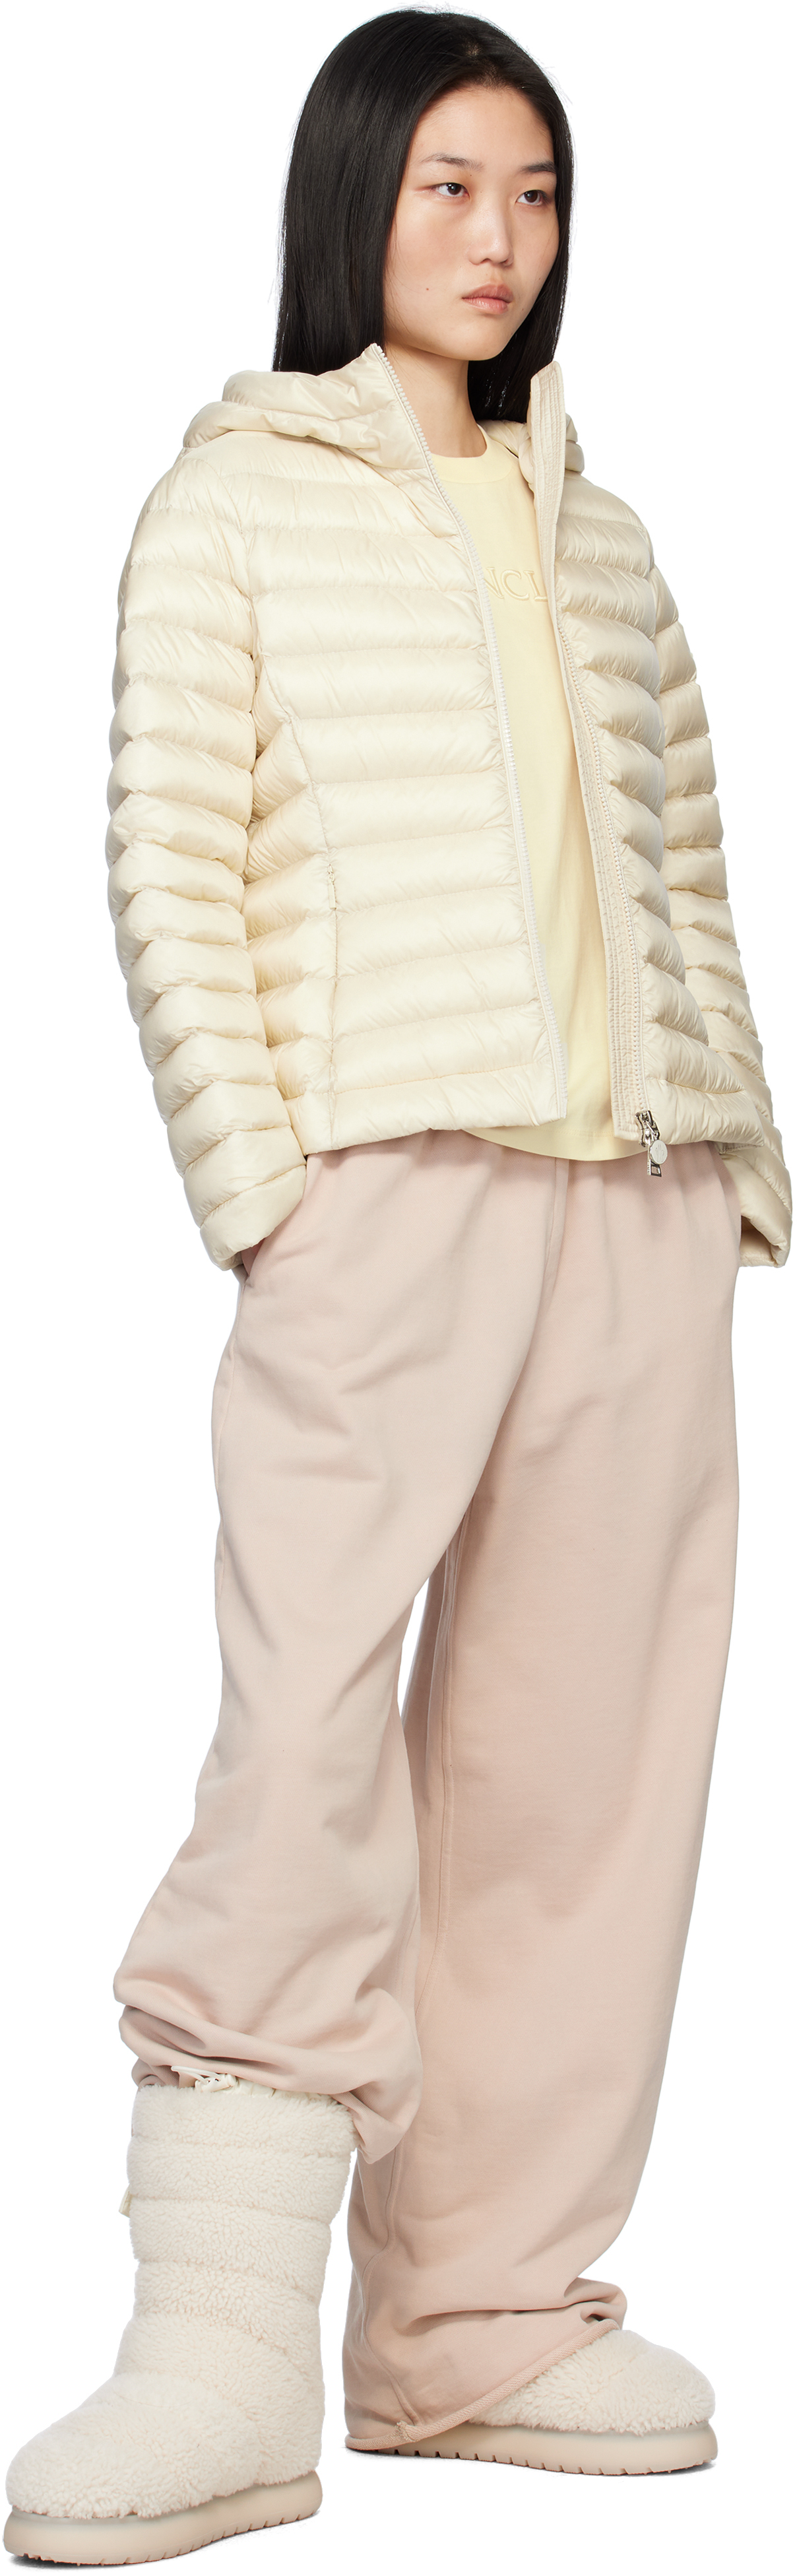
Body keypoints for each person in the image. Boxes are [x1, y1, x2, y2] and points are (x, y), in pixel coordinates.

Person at [5, 8, 790, 2561]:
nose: (498, 237)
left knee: (583, 1777)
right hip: (385, 1192)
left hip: (633, 1205)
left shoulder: (610, 537)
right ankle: (218, 2352)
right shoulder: (231, 502)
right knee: (309, 1737)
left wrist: (735, 1162)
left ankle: (482, 2319)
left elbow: (684, 864)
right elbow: (165, 856)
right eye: (452, 184)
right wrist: (267, 1188)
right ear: (354, 197)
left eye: (537, 194)